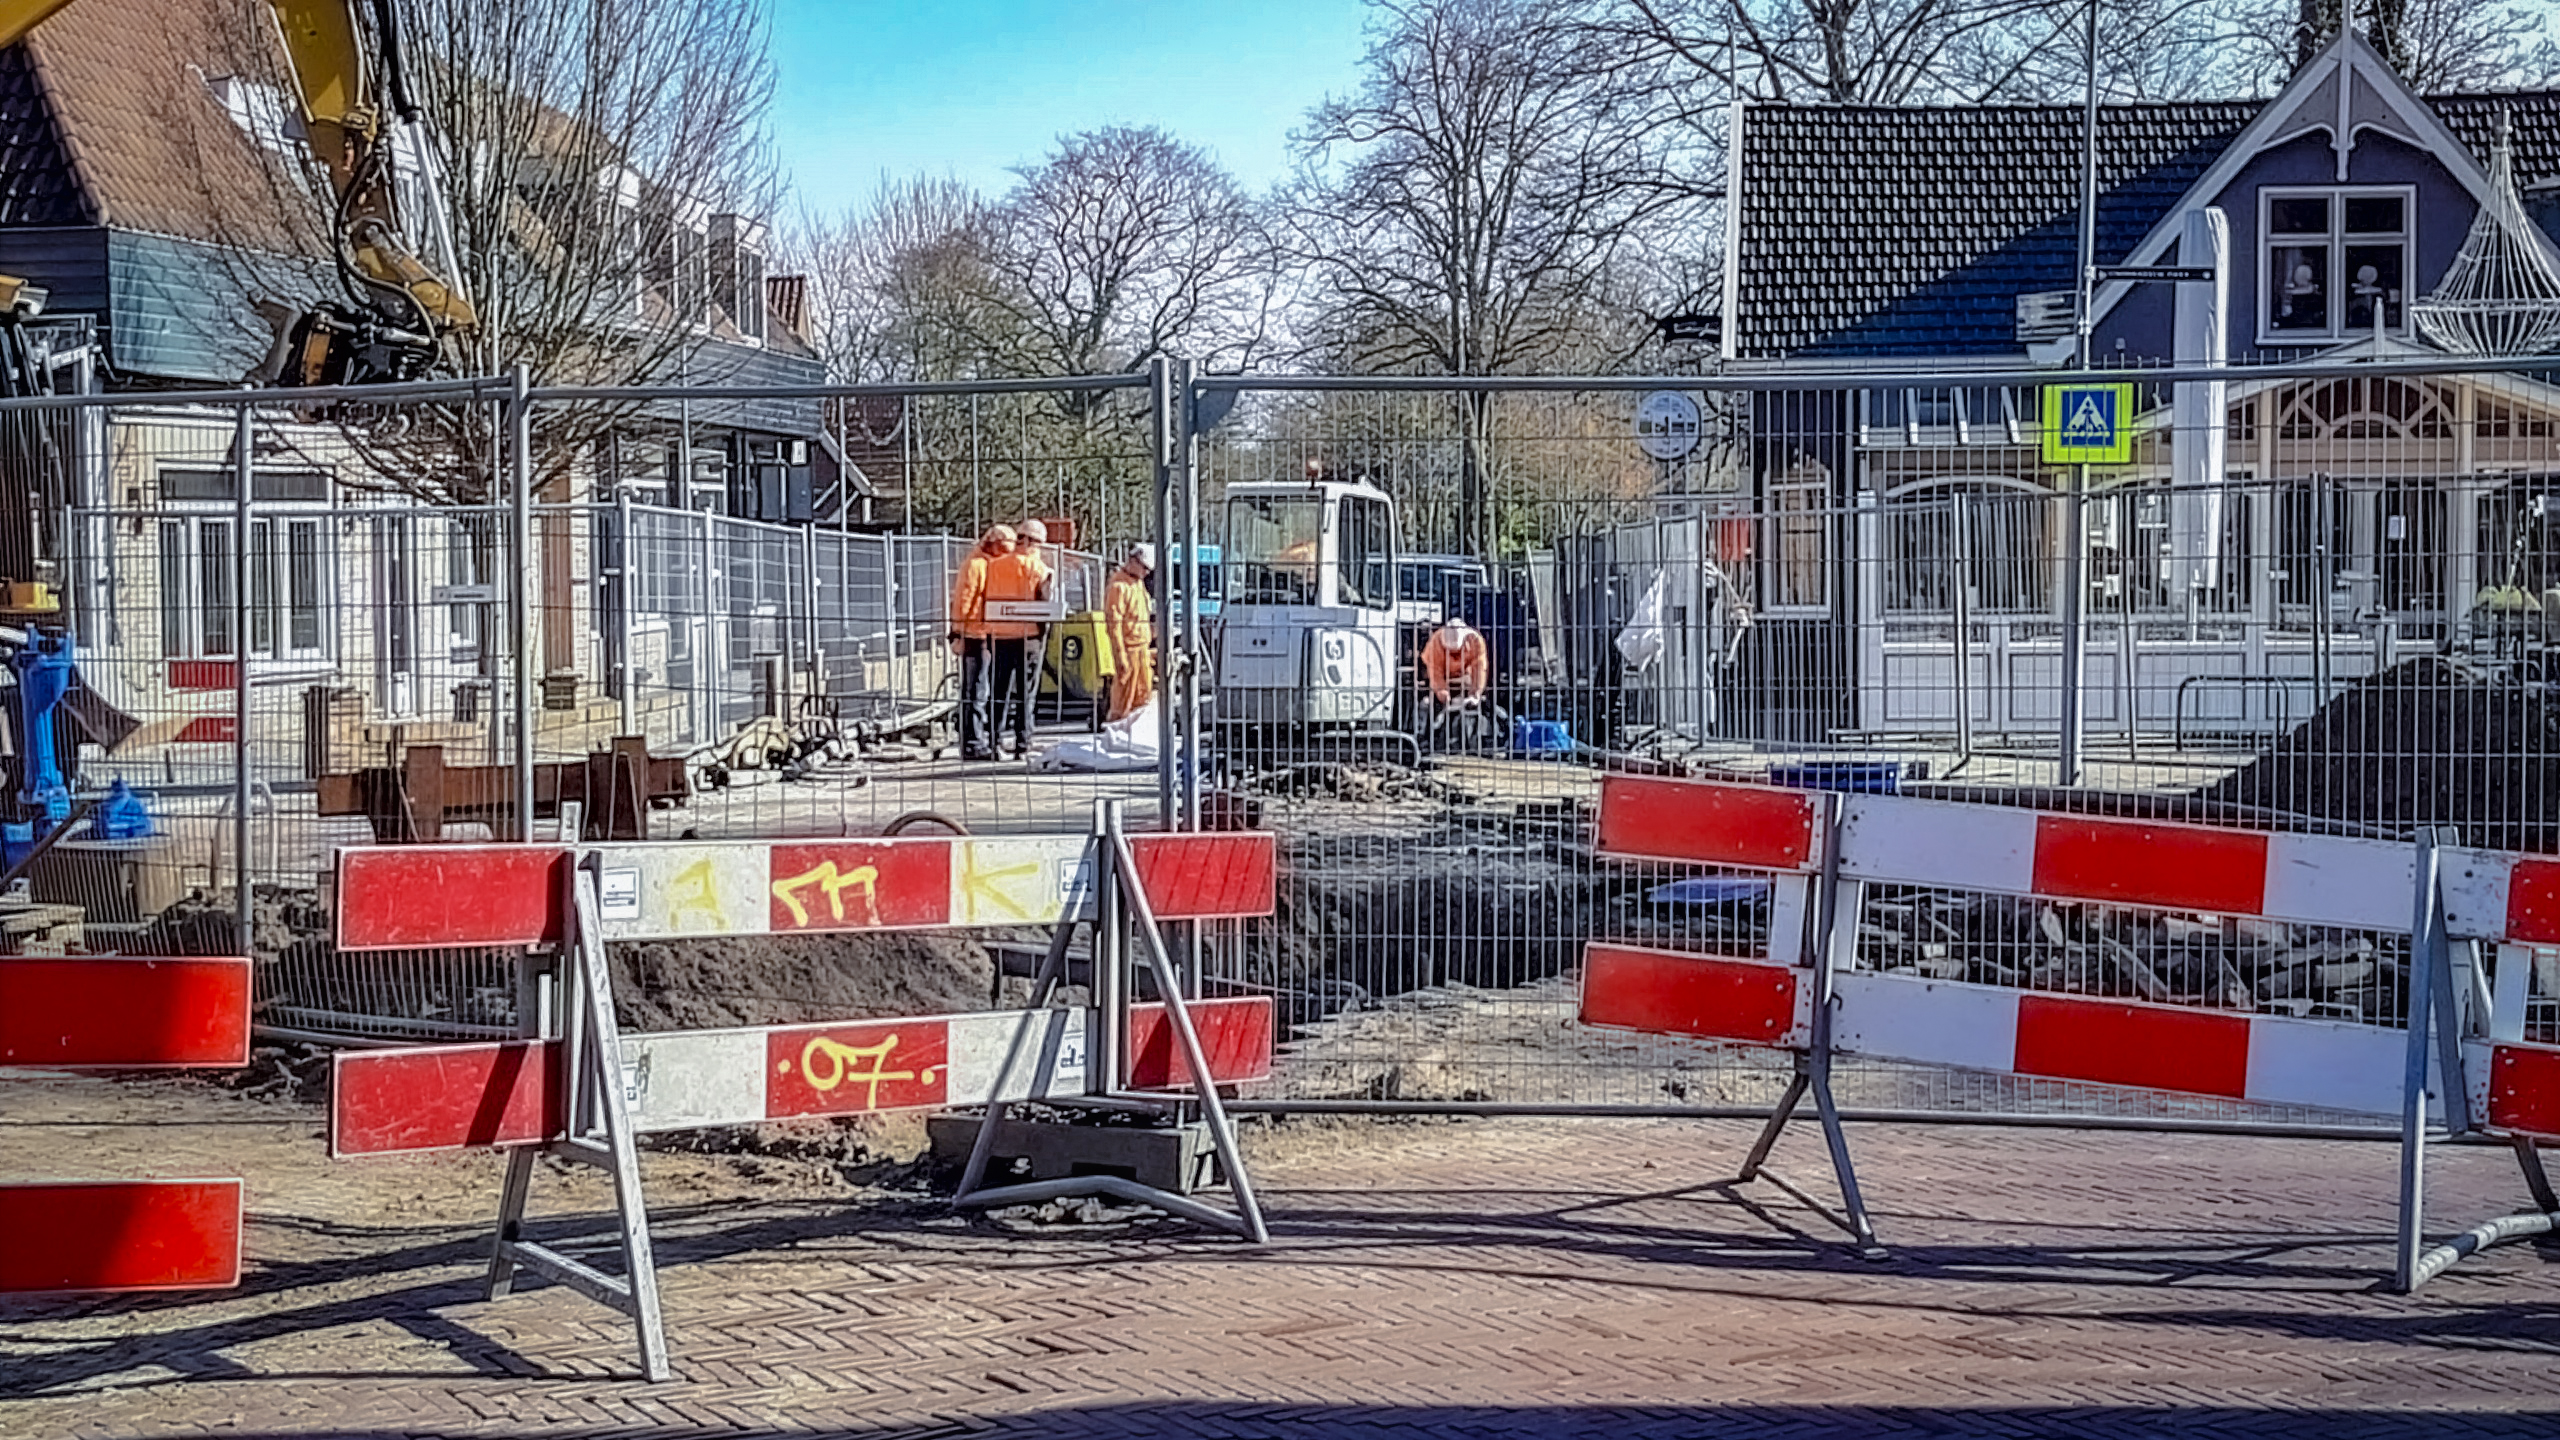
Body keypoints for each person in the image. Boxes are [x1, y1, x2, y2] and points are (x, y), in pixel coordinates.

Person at [983, 519, 1053, 757]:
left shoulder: (995, 566)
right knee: (1026, 694)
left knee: (998, 692)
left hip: (998, 636)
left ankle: (993, 742)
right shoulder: (1040, 569)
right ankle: (1023, 744)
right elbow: (1044, 605)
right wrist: (1043, 633)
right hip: (1029, 638)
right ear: (1036, 542)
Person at [950, 525, 1013, 761]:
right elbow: (964, 600)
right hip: (974, 634)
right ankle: (972, 743)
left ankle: (976, 740)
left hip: (985, 632)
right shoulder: (977, 565)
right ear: (994, 544)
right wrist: (959, 632)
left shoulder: (986, 563)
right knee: (975, 690)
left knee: (979, 689)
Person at [1422, 616, 1492, 751]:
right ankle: (1428, 738)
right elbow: (1435, 672)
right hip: (1441, 673)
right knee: (1432, 704)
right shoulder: (1435, 643)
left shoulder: (1476, 640)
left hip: (1464, 674)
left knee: (1481, 702)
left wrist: (1475, 693)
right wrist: (1441, 692)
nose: (1454, 654)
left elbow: (1479, 668)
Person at [1105, 544, 1156, 722]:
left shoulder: (1138, 584)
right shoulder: (1119, 586)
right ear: (1134, 561)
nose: (1147, 573)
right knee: (1124, 700)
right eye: (1145, 568)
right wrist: (1120, 656)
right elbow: (1114, 624)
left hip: (1142, 650)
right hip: (1129, 650)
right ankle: (1115, 735)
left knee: (1142, 698)